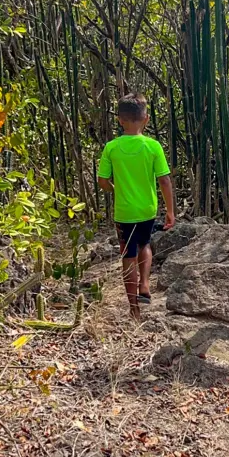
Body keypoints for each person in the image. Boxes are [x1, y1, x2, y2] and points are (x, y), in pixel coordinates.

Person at [98, 93, 175, 321]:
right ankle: (145, 283)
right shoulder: (153, 146)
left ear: (120, 120)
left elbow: (102, 181)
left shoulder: (111, 148)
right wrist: (171, 211)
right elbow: (164, 180)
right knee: (145, 245)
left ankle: (134, 308)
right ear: (146, 119)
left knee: (127, 255)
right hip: (147, 209)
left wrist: (116, 188)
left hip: (124, 212)